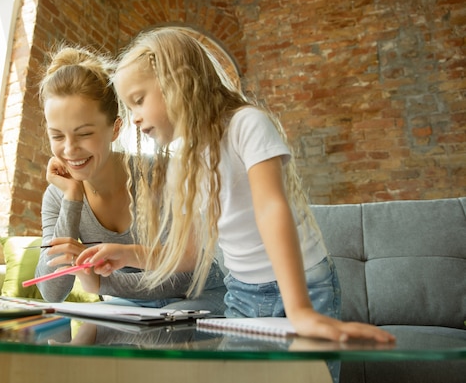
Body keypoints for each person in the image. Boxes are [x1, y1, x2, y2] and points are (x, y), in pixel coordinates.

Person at [77, 27, 396, 345]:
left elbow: (271, 208)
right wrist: (125, 254)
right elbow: (187, 255)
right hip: (243, 293)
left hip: (305, 286)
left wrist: (299, 309)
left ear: (178, 82)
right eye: (129, 108)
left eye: (139, 101)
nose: (133, 118)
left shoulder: (247, 124)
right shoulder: (183, 164)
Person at [35, 44, 227, 314]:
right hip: (132, 309)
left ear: (114, 129)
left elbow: (187, 275)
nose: (69, 149)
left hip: (200, 300)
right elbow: (52, 292)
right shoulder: (59, 194)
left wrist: (103, 283)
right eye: (57, 136)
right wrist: (73, 197)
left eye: (84, 133)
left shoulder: (163, 174)